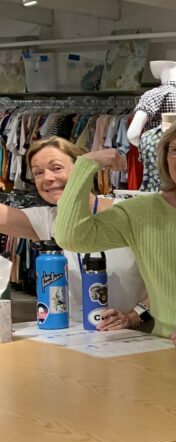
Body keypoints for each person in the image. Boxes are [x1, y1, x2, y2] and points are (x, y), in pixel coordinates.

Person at [55, 111, 176, 349]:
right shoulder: (141, 212)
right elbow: (71, 237)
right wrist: (86, 165)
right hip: (164, 349)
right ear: (165, 157)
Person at [0, 137, 146, 329]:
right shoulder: (47, 219)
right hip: (75, 335)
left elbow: (167, 279)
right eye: (38, 173)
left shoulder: (126, 214)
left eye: (57, 168)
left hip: (136, 336)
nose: (47, 178)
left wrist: (135, 316)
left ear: (82, 169)